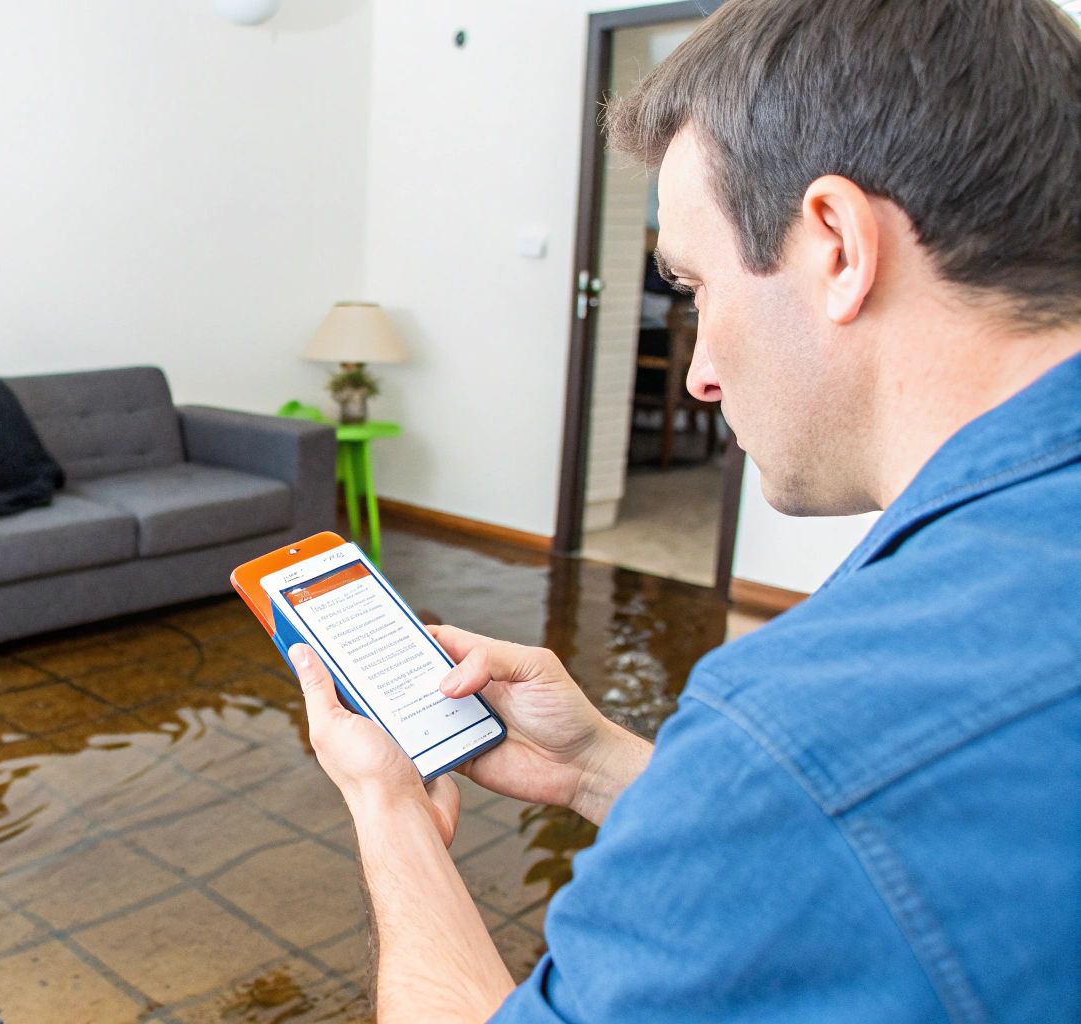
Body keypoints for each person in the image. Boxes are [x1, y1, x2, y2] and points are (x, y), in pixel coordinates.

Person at [286, 0, 1081, 1019]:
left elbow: (826, 794)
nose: (699, 373)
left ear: (835, 244)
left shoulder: (801, 727)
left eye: (694, 283)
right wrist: (596, 768)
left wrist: (387, 800)